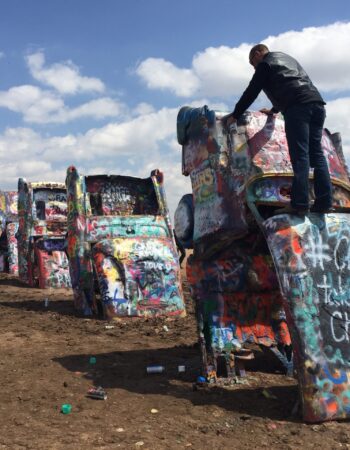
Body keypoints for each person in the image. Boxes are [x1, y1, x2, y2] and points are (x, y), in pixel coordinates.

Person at [222, 44, 333, 216]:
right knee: (317, 154)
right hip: (317, 105)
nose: (254, 67)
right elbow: (290, 84)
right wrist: (274, 110)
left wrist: (235, 115)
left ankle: (300, 204)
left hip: (298, 108)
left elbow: (252, 91)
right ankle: (325, 202)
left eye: (253, 63)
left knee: (300, 155)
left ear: (258, 53)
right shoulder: (287, 59)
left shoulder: (266, 63)